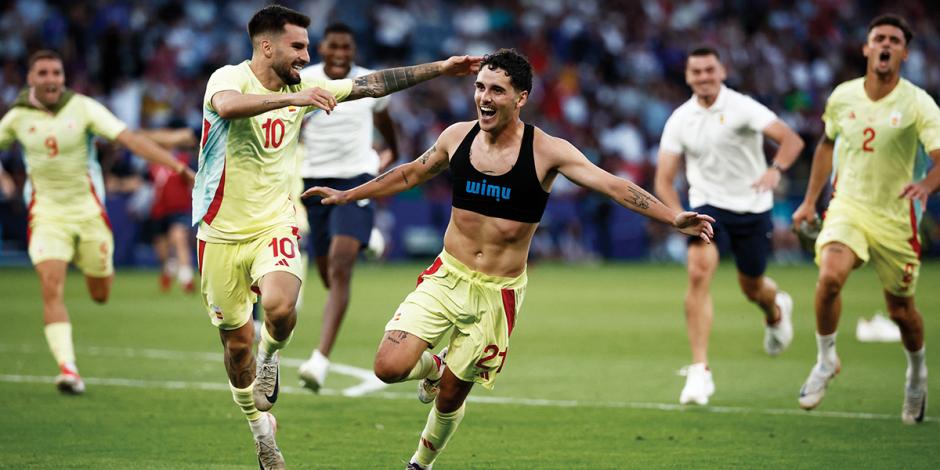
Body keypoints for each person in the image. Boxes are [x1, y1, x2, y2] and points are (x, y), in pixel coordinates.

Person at [302, 48, 714, 470]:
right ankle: (434, 365)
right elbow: (410, 172)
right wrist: (350, 194)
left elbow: (612, 186)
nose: (484, 97)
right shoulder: (456, 137)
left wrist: (672, 218)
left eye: (497, 90)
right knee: (387, 367)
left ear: (521, 98)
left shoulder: (547, 152)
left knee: (449, 396)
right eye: (480, 86)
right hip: (447, 276)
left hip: (497, 295)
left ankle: (420, 464)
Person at [192, 5, 481, 468]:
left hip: (275, 223)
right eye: (299, 47)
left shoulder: (303, 87)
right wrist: (296, 101)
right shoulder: (228, 78)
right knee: (234, 346)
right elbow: (226, 107)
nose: (308, 57)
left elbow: (374, 84)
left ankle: (273, 354)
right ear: (266, 46)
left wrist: (441, 69)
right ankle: (261, 431)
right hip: (220, 233)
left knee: (280, 308)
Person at [0, 49, 195, 395]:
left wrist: (179, 167)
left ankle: (91, 264)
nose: (50, 80)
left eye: (56, 73)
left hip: (89, 215)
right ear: (30, 79)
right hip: (46, 215)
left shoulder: (84, 108)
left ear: (64, 77)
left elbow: (131, 140)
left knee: (100, 293)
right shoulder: (16, 117)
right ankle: (68, 368)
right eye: (42, 73)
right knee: (51, 287)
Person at [792, 14, 940, 424]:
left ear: (904, 53)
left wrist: (927, 185)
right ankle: (826, 360)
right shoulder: (843, 97)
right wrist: (808, 201)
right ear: (866, 48)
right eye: (879, 38)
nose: (886, 45)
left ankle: (916, 375)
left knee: (901, 313)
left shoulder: (918, 103)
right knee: (829, 277)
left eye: (894, 40)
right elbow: (826, 144)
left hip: (897, 217)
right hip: (849, 206)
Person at [653, 46, 805, 406]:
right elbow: (663, 180)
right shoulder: (680, 119)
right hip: (708, 207)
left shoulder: (742, 107)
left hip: (753, 206)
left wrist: (775, 170)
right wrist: (678, 215)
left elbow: (791, 140)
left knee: (752, 287)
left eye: (709, 70)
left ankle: (776, 308)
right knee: (698, 272)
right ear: (688, 77)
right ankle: (700, 371)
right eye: (696, 71)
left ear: (722, 71)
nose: (703, 76)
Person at [296, 22, 400, 392]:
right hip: (313, 182)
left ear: (354, 50)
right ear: (322, 48)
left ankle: (319, 359)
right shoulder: (303, 80)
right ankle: (368, 238)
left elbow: (386, 123)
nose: (340, 54)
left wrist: (390, 154)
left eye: (347, 47)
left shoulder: (369, 83)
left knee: (340, 268)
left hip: (357, 179)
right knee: (327, 274)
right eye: (334, 46)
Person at [142, 128, 198, 293]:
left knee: (179, 238)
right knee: (162, 251)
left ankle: (186, 279)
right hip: (159, 211)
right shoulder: (152, 163)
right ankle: (169, 268)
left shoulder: (183, 160)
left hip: (179, 209)